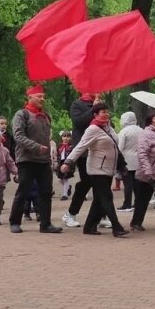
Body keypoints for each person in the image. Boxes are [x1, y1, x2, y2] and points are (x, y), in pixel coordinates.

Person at [60, 103, 129, 237]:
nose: (106, 114)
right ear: (95, 114)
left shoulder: (108, 128)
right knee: (107, 197)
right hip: (97, 169)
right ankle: (117, 227)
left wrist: (121, 164)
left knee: (99, 199)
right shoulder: (92, 129)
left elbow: (115, 145)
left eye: (107, 111)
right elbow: (81, 146)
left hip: (109, 169)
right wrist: (68, 162)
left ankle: (89, 226)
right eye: (103, 111)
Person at [8, 86, 62, 234]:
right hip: (26, 159)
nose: (42, 99)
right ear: (30, 98)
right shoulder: (22, 115)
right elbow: (18, 136)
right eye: (39, 96)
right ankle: (14, 222)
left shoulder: (45, 116)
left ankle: (45, 224)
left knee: (46, 193)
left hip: (44, 161)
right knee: (23, 191)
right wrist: (36, 147)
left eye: (43, 96)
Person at [62, 92, 107, 229]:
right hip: (84, 153)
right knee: (86, 183)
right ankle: (70, 214)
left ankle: (101, 216)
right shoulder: (77, 104)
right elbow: (78, 122)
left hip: (100, 152)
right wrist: (93, 108)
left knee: (101, 185)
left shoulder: (101, 104)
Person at [117, 112, 141, 212]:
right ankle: (138, 203)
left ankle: (127, 204)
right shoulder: (141, 130)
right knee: (137, 184)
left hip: (127, 161)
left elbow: (120, 148)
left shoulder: (123, 132)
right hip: (139, 160)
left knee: (128, 184)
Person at [56, 131, 74, 200]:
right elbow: (58, 155)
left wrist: (70, 165)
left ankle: (65, 195)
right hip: (61, 163)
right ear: (62, 137)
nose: (66, 138)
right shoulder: (60, 146)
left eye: (68, 136)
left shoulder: (71, 147)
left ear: (70, 138)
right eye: (64, 136)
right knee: (59, 179)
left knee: (65, 178)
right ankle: (68, 187)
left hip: (68, 163)